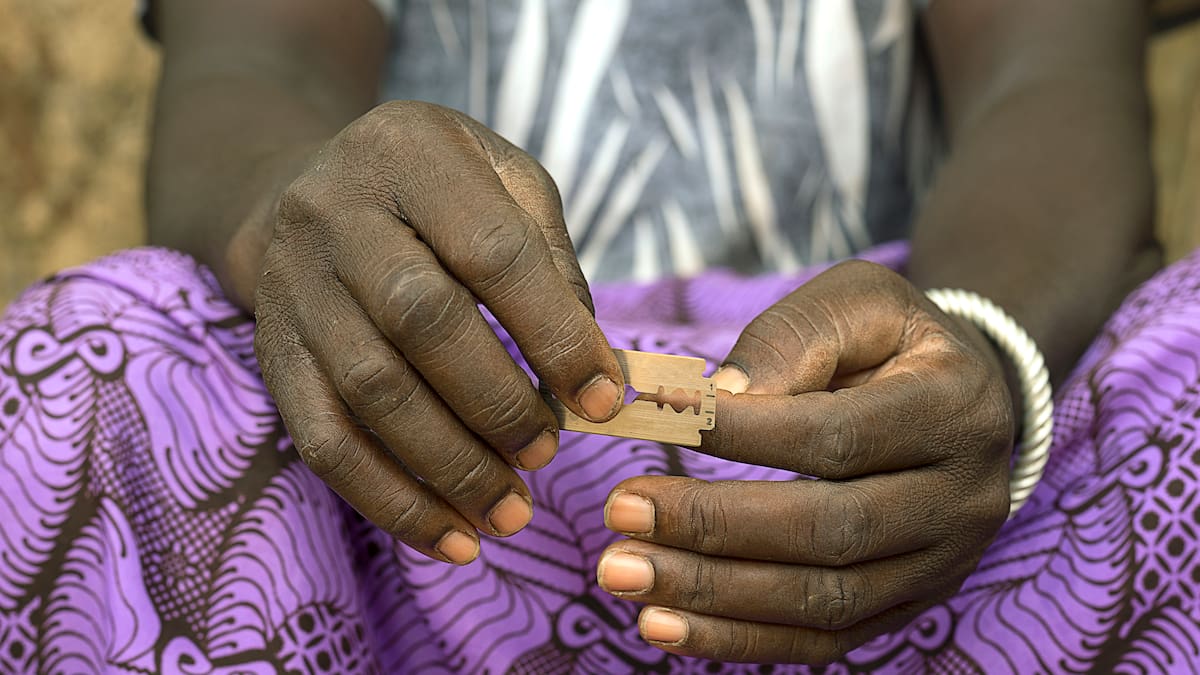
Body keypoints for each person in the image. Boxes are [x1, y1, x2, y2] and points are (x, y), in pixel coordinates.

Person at [1, 0, 1197, 671]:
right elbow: (254, 62)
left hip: (898, 451)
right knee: (87, 354)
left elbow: (1046, 82)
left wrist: (982, 356)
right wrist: (307, 221)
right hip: (415, 442)